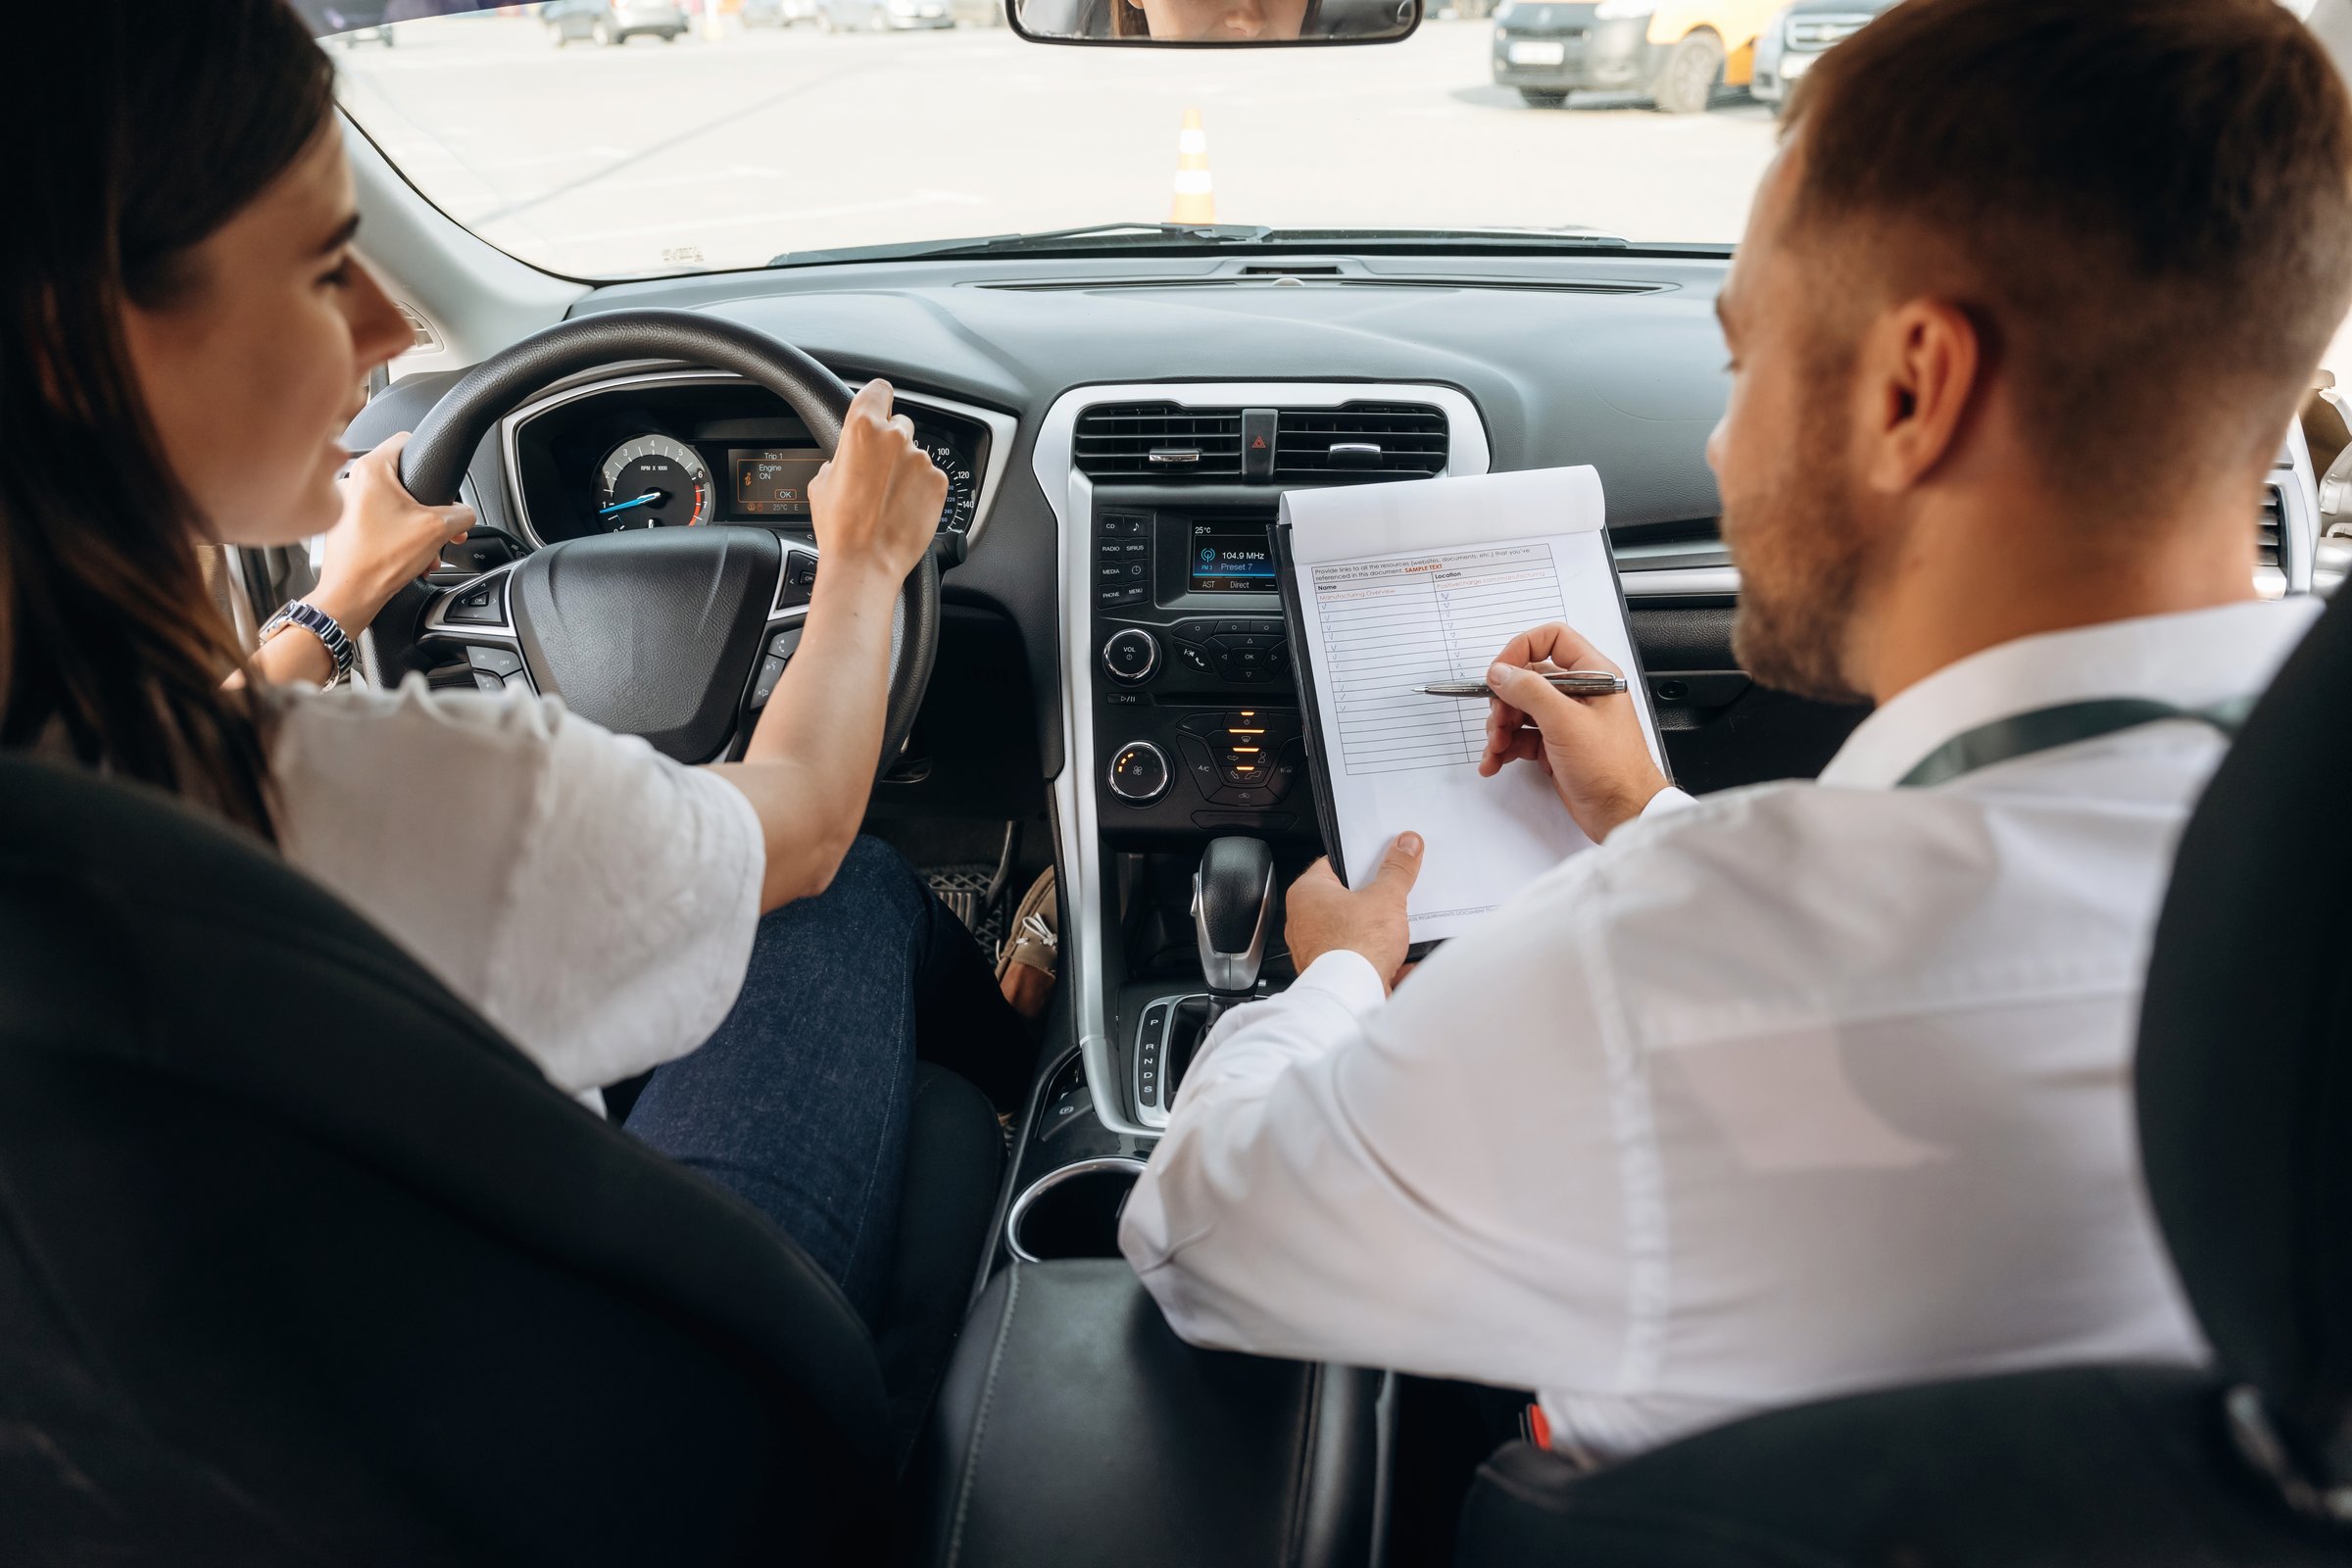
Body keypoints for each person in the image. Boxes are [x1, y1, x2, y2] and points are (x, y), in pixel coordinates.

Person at [1121, 0, 2352, 1462]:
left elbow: (1201, 1236)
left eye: (1744, 358)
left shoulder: (1669, 978)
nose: (1720, 443)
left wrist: (1331, 982)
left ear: (1912, 391)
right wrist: (1651, 812)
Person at [4, 0, 1032, 1326]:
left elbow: (160, 758)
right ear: (70, 342)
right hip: (671, 1391)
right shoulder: (421, 801)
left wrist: (332, 608)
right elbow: (814, 819)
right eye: (328, 272)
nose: (389, 330)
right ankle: (1024, 1064)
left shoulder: (94, 785)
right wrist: (863, 562)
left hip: (324, 1409)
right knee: (853, 899)